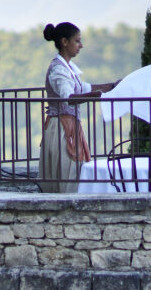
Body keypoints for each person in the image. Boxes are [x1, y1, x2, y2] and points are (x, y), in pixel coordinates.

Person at [39, 22, 118, 193]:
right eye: (77, 41)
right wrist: (96, 95)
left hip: (68, 125)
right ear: (64, 42)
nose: (80, 45)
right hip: (61, 128)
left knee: (72, 171)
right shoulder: (58, 70)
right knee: (69, 173)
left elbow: (84, 88)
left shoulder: (67, 68)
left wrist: (111, 86)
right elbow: (68, 98)